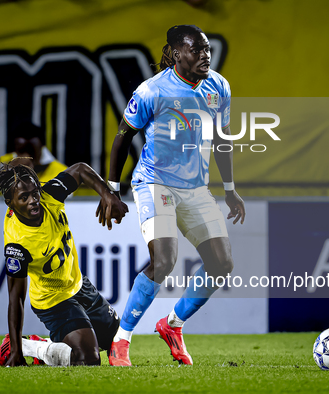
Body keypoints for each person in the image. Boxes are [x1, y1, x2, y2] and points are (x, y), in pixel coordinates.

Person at [104, 25, 246, 366]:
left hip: (196, 187)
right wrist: (112, 190)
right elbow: (123, 137)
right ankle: (121, 340)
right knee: (164, 260)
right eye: (195, 50)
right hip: (155, 183)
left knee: (222, 264)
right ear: (176, 53)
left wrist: (229, 190)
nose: (204, 55)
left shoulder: (219, 86)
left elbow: (223, 140)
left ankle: (173, 324)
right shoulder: (152, 91)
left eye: (207, 49)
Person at [0, 160, 128, 366]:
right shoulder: (18, 244)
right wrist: (17, 351)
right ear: (10, 203)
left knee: (115, 341)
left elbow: (80, 169)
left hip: (78, 285)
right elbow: (16, 298)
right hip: (53, 301)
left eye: (34, 193)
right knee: (88, 358)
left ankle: (51, 343)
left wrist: (107, 194)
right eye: (23, 197)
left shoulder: (49, 195)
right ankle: (30, 347)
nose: (33, 200)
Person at [0, 122, 67, 196]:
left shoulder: (61, 171)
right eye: (22, 150)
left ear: (42, 148)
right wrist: (3, 173)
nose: (26, 156)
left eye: (31, 151)